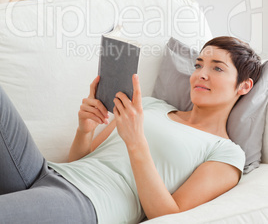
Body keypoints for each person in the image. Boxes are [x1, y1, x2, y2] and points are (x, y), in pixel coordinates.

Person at [0, 36, 262, 224]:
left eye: (217, 68)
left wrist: (137, 143)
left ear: (244, 86)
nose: (201, 74)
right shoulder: (150, 105)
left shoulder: (227, 153)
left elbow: (169, 215)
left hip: (88, 202)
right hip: (47, 171)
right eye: (198, 64)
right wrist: (85, 129)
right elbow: (81, 161)